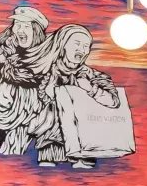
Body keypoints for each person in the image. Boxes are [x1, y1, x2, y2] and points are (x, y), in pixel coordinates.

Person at [0, 5, 56, 157]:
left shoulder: (45, 56)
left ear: (36, 30)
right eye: (17, 25)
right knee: (7, 148)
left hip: (31, 114)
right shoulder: (8, 49)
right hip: (5, 110)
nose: (20, 30)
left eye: (26, 26)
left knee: (16, 149)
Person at [37, 25, 124, 168]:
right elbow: (36, 107)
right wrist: (49, 93)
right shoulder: (47, 74)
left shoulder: (93, 76)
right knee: (46, 172)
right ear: (63, 45)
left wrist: (90, 88)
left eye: (86, 46)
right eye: (77, 44)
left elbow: (114, 102)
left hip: (85, 143)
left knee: (84, 174)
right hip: (52, 143)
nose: (82, 50)